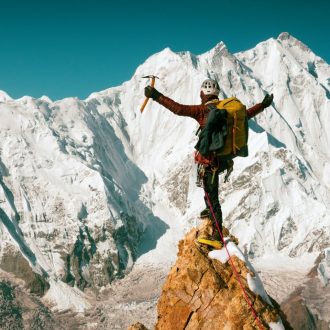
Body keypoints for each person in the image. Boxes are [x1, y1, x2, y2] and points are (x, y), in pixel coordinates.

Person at [144, 79, 273, 246]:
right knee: (208, 189)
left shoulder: (202, 110)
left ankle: (217, 236)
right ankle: (209, 210)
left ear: (202, 94)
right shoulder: (226, 109)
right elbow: (246, 115)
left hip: (211, 162)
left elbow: (178, 109)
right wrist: (263, 105)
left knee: (213, 196)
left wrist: (156, 96)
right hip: (224, 160)